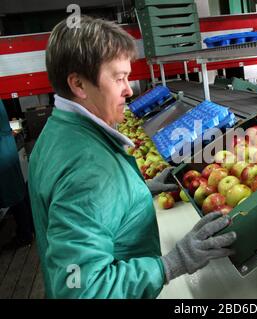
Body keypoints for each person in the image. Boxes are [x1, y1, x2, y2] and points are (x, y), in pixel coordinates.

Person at [28, 16, 236, 299]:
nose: (128, 89)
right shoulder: (90, 170)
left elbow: (84, 210)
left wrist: (135, 190)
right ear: (78, 84)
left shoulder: (57, 133)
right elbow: (82, 291)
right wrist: (171, 265)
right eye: (119, 78)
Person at [0, 99, 34, 250]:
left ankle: (25, 235)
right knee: (18, 190)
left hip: (2, 151)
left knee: (14, 194)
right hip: (6, 146)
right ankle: (30, 228)